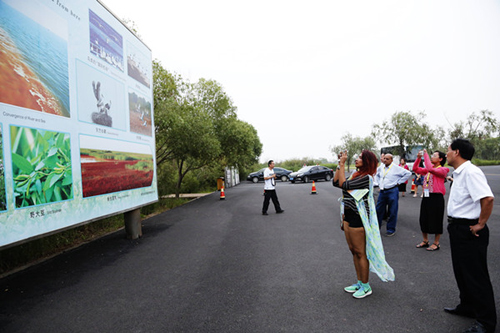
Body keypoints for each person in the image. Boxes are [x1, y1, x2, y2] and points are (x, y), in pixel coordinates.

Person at [444, 139, 496, 333]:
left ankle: (486, 322)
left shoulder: (471, 172)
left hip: (469, 230)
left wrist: (480, 224)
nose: (446, 153)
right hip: (457, 228)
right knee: (462, 272)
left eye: (448, 150)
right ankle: (467, 306)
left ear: (456, 152)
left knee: (475, 276)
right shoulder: (459, 173)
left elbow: (488, 198)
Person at [333, 150, 394, 299]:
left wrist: (342, 164)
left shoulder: (366, 178)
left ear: (366, 161)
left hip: (358, 218)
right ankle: (360, 282)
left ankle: (366, 286)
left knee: (360, 252)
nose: (356, 159)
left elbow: (344, 185)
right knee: (353, 250)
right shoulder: (355, 174)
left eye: (360, 158)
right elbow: (336, 182)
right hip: (348, 216)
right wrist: (338, 165)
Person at [412, 149, 449, 251]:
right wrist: (419, 157)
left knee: (436, 219)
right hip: (427, 196)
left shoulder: (443, 170)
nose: (432, 157)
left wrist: (426, 154)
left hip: (437, 197)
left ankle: (436, 243)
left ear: (440, 159)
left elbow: (430, 169)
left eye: (434, 155)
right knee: (424, 218)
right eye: (431, 155)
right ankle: (425, 240)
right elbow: (415, 168)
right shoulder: (429, 169)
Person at [374, 154, 412, 236]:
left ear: (391, 160)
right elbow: (377, 175)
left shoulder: (396, 168)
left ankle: (391, 229)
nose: (385, 160)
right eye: (384, 159)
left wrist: (399, 182)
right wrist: (378, 183)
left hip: (392, 190)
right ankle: (376, 228)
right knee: (378, 210)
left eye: (387, 159)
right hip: (383, 191)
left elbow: (408, 174)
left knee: (392, 210)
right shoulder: (381, 167)